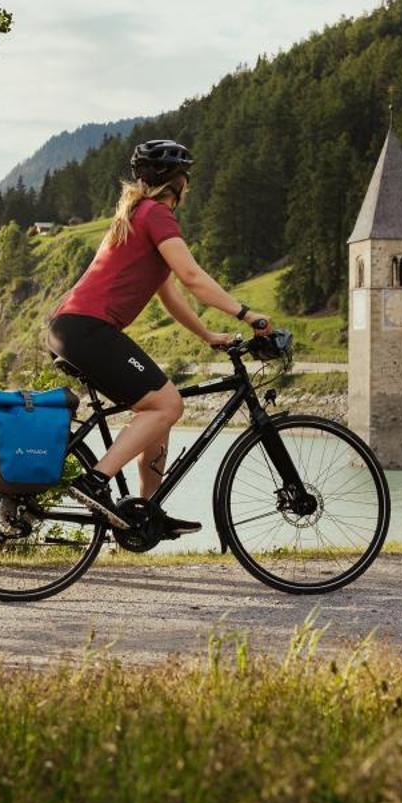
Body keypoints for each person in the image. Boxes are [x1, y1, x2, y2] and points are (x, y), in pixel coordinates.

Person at [46, 138, 271, 536]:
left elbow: (169, 293)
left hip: (73, 328)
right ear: (177, 182)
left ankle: (146, 512)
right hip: (87, 329)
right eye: (187, 178)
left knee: (159, 410)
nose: (190, 186)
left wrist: (207, 334)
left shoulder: (137, 215)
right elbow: (192, 277)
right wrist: (246, 314)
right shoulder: (157, 216)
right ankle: (95, 482)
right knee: (167, 405)